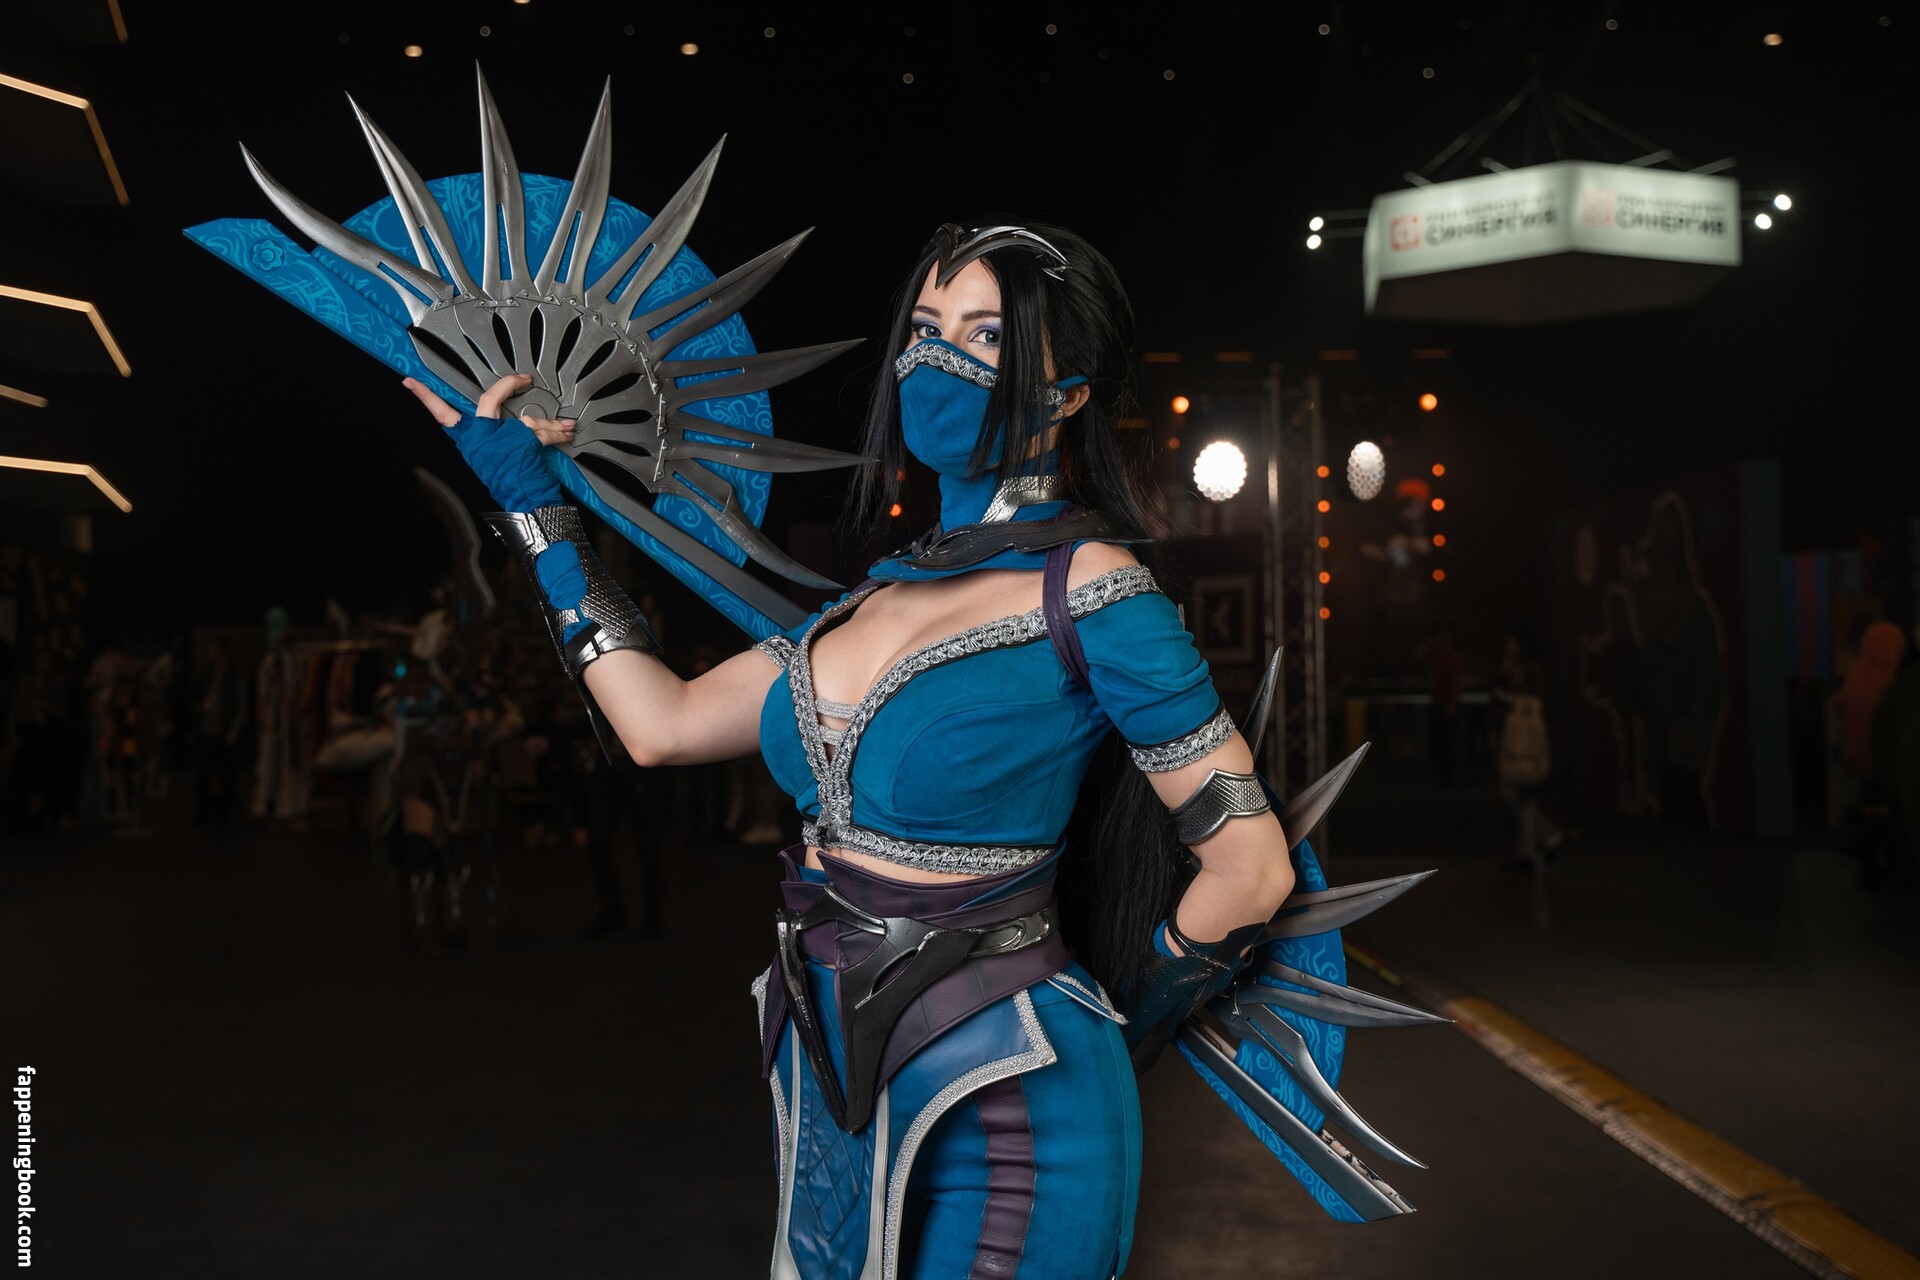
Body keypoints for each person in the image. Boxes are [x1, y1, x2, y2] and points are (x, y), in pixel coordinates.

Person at [404, 221, 1303, 1277]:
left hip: (1020, 1094)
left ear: (1065, 396)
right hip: (829, 1074)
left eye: (985, 334)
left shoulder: (1096, 592)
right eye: (924, 328)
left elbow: (1252, 867)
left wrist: (1124, 1019)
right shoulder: (861, 606)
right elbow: (660, 724)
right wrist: (534, 507)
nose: (939, 357)